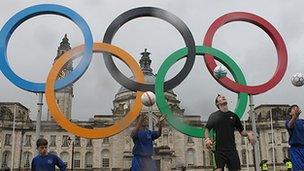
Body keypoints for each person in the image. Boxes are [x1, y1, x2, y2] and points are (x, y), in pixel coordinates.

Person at [204, 94, 255, 171]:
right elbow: (207, 129)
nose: (223, 97)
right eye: (220, 98)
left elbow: (242, 131)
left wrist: (248, 134)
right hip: (219, 150)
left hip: (232, 150)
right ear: (217, 103)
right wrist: (207, 139)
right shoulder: (214, 116)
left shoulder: (233, 116)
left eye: (223, 97)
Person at [285, 104, 304, 170]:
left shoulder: (302, 122)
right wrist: (295, 117)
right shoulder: (288, 122)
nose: (296, 109)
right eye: (294, 109)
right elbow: (290, 125)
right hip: (296, 149)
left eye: (297, 108)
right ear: (290, 113)